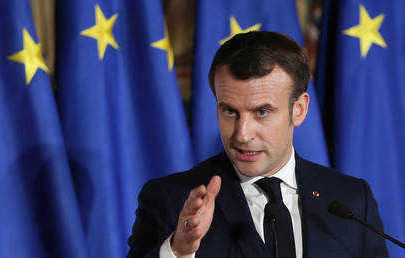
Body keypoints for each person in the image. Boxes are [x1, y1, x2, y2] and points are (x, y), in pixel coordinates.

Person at [127, 31, 388, 258]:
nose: (242, 134)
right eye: (229, 111)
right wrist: (179, 251)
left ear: (299, 109)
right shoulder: (172, 200)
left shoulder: (351, 200)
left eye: (262, 112)